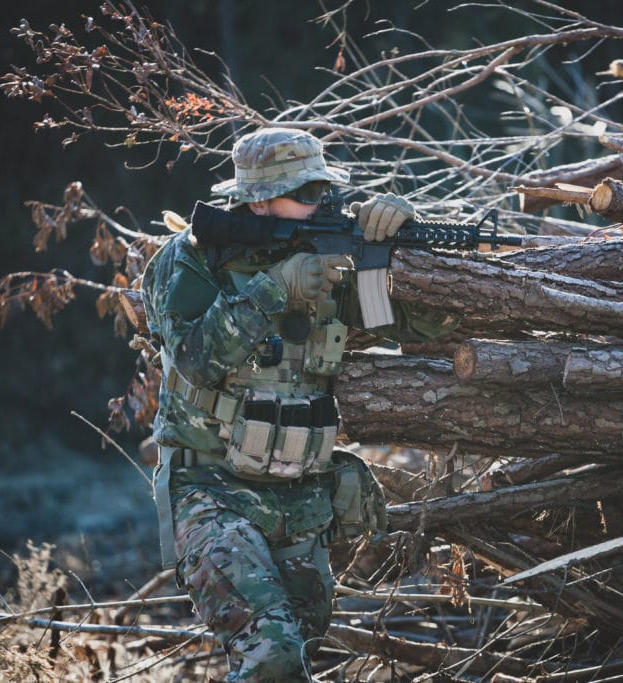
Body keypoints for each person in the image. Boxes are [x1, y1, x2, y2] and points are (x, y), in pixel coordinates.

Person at [141, 127, 456, 682]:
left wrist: (408, 248)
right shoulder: (192, 259)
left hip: (301, 501)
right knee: (273, 657)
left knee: (297, 656)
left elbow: (425, 326)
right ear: (258, 200)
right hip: (213, 494)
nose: (321, 204)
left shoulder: (325, 257)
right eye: (306, 194)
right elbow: (194, 360)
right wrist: (275, 289)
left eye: (323, 191)